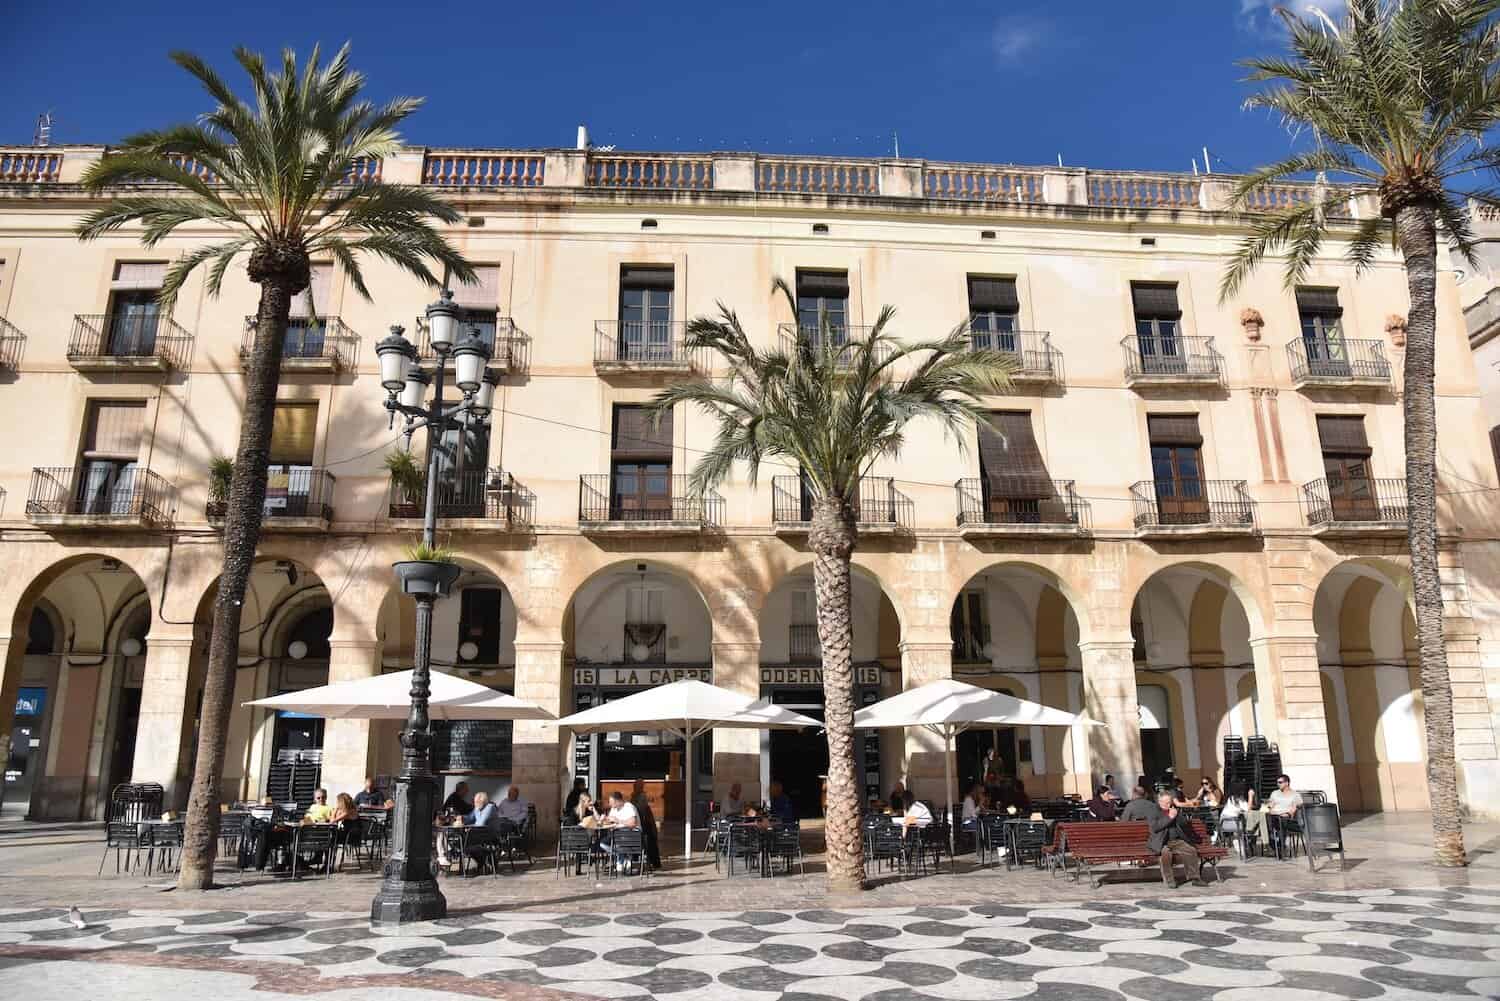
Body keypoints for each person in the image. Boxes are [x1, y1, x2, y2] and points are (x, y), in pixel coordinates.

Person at [1148, 789, 1205, 888]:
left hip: (1177, 840)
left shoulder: (1174, 809)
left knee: (1191, 850)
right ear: (1159, 801)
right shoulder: (1154, 811)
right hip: (1161, 841)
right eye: (1166, 803)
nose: (1168, 804)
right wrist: (1169, 817)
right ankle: (1169, 881)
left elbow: (1184, 824)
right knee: (1165, 854)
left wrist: (1178, 816)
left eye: (1169, 802)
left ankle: (1194, 877)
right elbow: (1155, 827)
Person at [1218, 781, 1267, 855]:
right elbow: (1248, 809)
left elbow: (1244, 808)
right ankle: (1253, 843)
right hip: (1232, 823)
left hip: (1224, 823)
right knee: (1253, 824)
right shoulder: (1238, 799)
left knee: (1248, 823)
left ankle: (1242, 847)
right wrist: (1250, 795)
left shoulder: (1231, 799)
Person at [601, 791, 641, 873]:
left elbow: (633, 823)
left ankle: (622, 859)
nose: (610, 805)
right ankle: (623, 856)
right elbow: (610, 820)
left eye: (612, 803)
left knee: (619, 838)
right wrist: (604, 819)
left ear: (618, 801)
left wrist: (618, 820)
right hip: (618, 836)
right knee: (603, 844)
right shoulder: (614, 809)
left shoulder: (629, 807)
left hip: (632, 836)